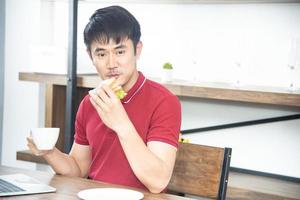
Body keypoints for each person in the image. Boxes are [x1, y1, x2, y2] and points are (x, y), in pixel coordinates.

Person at [27, 5, 181, 193]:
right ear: (90, 56)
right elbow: (78, 169)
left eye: (120, 51)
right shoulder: (90, 102)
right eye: (101, 54)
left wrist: (121, 123)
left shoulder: (164, 101)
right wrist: (49, 152)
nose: (111, 63)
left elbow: (157, 182)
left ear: (137, 49)